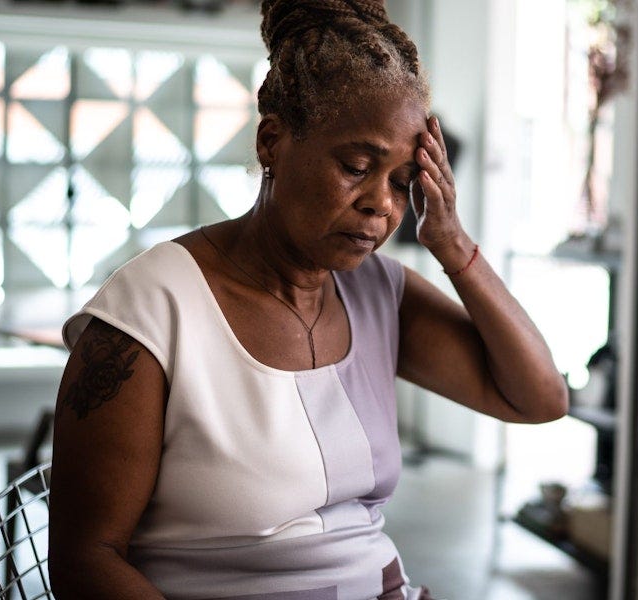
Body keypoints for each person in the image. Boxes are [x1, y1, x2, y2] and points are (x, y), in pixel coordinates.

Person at [47, 1, 568, 598]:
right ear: (272, 141)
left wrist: (450, 243)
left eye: (402, 182)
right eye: (355, 166)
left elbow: (540, 399)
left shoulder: (379, 293)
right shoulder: (152, 311)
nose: (382, 204)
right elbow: (86, 561)